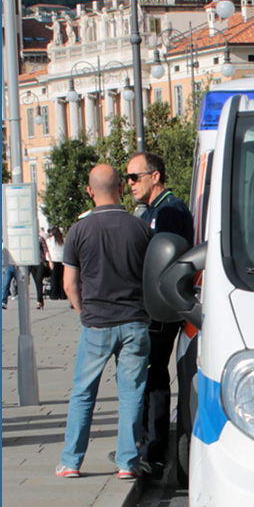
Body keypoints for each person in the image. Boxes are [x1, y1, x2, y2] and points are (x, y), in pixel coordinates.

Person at [56, 164, 155, 480]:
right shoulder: (140, 228)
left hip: (97, 322)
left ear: (89, 191)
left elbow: (69, 283)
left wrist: (83, 311)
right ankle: (127, 463)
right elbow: (151, 277)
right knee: (132, 394)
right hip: (135, 322)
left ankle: (71, 462)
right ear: (121, 189)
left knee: (84, 393)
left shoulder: (79, 230)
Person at [126, 151, 194, 480]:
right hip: (155, 306)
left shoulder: (168, 210)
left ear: (155, 176)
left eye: (134, 177)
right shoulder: (154, 209)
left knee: (153, 378)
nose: (130, 185)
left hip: (162, 308)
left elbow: (164, 262)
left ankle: (153, 453)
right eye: (127, 178)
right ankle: (142, 446)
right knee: (147, 375)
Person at [30, 230, 51, 310]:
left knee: (39, 280)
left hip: (40, 262)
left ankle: (39, 301)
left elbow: (45, 250)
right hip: (31, 263)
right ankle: (40, 300)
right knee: (36, 282)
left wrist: (49, 261)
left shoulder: (40, 239)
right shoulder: (27, 239)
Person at [46, 226, 67, 300]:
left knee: (54, 279)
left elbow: (48, 251)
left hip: (54, 260)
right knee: (62, 278)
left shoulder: (49, 240)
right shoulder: (64, 240)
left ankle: (54, 295)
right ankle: (63, 294)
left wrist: (49, 261)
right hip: (63, 261)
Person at [2, 239, 19, 310]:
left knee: (20, 284)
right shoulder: (5, 246)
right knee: (6, 284)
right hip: (9, 266)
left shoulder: (17, 247)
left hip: (17, 266)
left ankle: (18, 296)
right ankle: (4, 302)